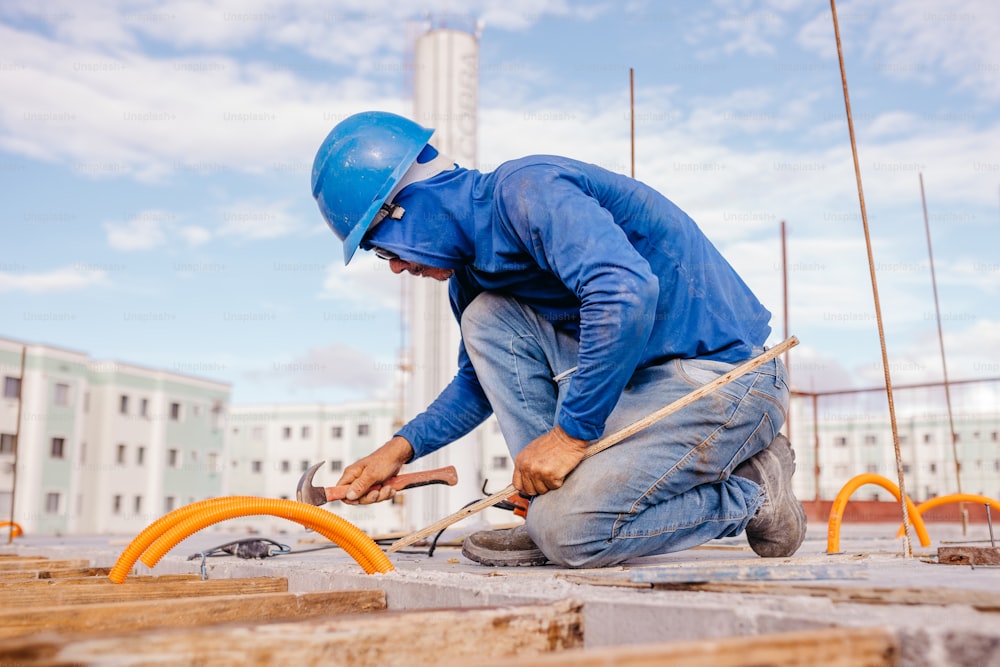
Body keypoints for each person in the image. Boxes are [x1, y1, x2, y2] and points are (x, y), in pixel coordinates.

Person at [311, 110, 806, 568]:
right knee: (487, 319)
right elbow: (477, 384)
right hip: (642, 386)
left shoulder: (529, 190)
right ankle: (550, 507)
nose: (396, 266)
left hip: (725, 379)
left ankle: (753, 491)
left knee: (571, 535)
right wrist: (397, 450)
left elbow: (624, 292)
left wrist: (571, 436)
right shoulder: (471, 279)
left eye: (383, 248)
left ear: (408, 206)